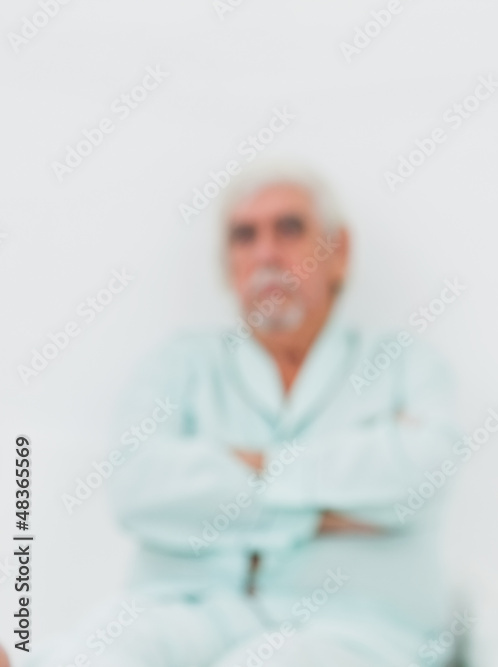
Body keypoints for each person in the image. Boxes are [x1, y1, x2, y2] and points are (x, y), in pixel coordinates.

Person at [30, 161, 463, 667]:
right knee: (96, 652)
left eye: (289, 228)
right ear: (228, 265)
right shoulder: (179, 365)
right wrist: (330, 506)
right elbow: (137, 487)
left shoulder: (405, 365)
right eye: (244, 236)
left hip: (357, 627)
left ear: (338, 252)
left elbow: (421, 475)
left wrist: (244, 467)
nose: (266, 253)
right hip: (185, 609)